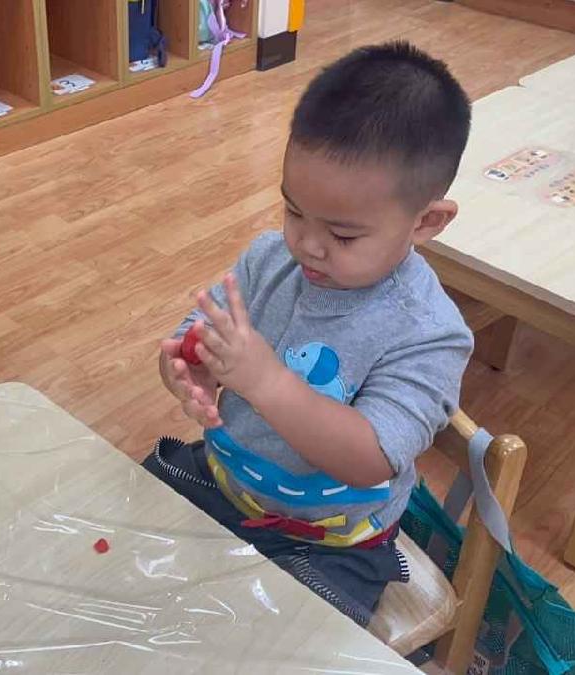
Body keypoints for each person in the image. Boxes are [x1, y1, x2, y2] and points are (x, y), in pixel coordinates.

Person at [147, 42, 474, 626]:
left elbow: (370, 459)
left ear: (427, 221)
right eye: (294, 211)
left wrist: (265, 380)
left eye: (343, 235)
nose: (307, 245)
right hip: (223, 482)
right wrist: (187, 365)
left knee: (275, 644)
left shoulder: (429, 333)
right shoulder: (269, 260)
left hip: (332, 545)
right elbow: (199, 329)